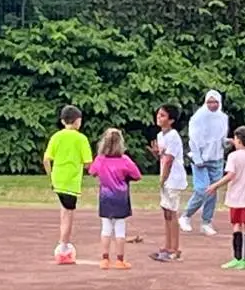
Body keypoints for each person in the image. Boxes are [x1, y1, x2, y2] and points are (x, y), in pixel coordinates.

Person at [205, 125, 245, 270]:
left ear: (238, 140)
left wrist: (215, 185)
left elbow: (231, 175)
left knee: (237, 226)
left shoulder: (233, 156)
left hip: (238, 197)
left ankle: (237, 258)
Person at [43, 105, 92, 266]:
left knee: (64, 211)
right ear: (78, 121)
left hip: (58, 179)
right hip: (71, 181)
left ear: (63, 121)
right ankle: (63, 245)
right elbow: (88, 163)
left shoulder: (56, 136)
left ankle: (63, 243)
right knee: (68, 215)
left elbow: (46, 159)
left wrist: (50, 177)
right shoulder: (81, 139)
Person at [88, 128, 142, 271]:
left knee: (106, 229)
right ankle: (120, 260)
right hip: (121, 198)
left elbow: (92, 171)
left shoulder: (100, 160)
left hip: (105, 198)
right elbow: (137, 175)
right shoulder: (125, 160)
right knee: (120, 230)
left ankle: (104, 259)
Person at [181, 89, 229, 236]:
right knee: (202, 189)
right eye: (209, 102)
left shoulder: (223, 117)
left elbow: (221, 138)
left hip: (217, 158)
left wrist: (228, 143)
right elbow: (193, 139)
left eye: (215, 102)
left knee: (213, 191)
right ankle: (186, 216)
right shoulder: (198, 118)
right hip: (200, 159)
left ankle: (206, 222)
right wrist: (197, 158)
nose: (212, 105)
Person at [149, 105, 186, 262]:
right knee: (166, 212)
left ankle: (174, 249)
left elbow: (170, 160)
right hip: (165, 177)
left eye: (163, 115)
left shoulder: (173, 136)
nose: (159, 117)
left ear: (171, 120)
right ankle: (167, 245)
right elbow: (164, 157)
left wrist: (163, 178)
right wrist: (157, 154)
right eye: (158, 114)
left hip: (173, 178)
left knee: (172, 212)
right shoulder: (160, 135)